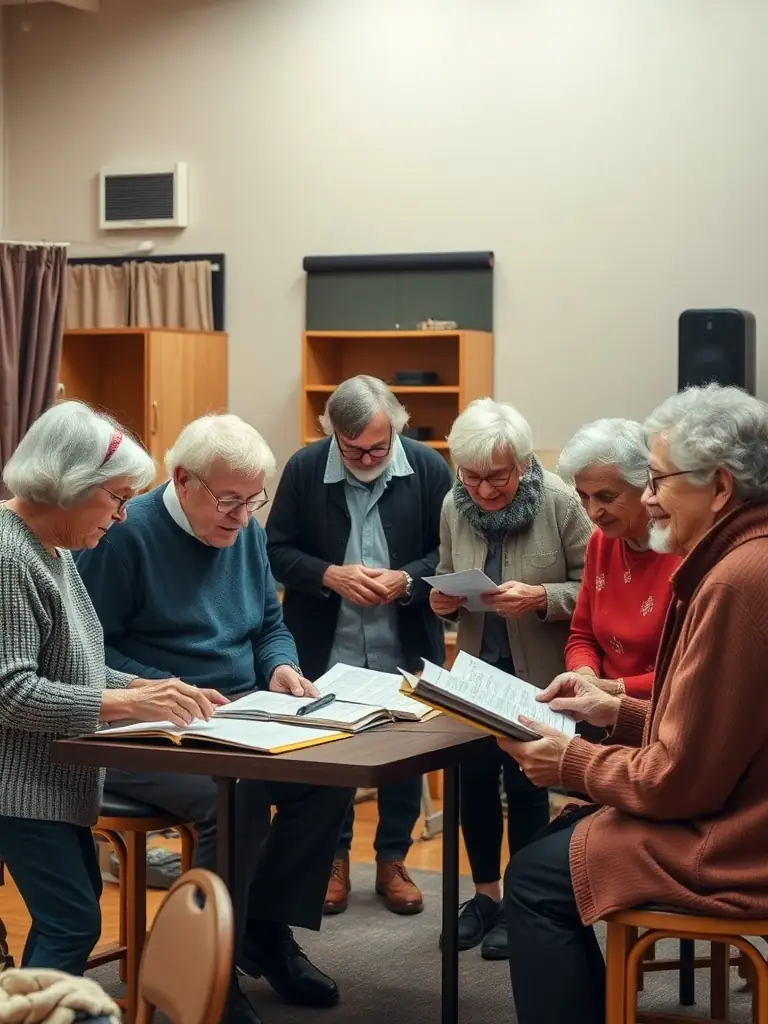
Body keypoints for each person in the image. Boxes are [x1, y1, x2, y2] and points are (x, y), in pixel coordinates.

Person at [501, 384, 768, 1024]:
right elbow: (715, 732)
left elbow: (679, 781)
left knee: (534, 879)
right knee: (549, 851)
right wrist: (614, 714)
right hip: (737, 804)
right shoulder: (742, 559)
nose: (647, 498)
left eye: (656, 480)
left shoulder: (735, 581)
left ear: (720, 487)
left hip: (736, 839)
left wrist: (568, 763)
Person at [75, 414, 353, 1024]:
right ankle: (207, 973)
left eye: (254, 500)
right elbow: (87, 652)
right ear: (182, 480)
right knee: (237, 796)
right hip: (141, 729)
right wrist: (164, 687)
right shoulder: (122, 535)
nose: (243, 515)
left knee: (329, 775)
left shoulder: (243, 529)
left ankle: (259, 928)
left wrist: (279, 667)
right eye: (229, 500)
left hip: (237, 716)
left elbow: (267, 627)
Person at [0, 402, 220, 976]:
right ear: (71, 486)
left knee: (72, 918)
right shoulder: (7, 554)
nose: (125, 515)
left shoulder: (55, 546)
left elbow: (75, 667)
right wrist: (124, 701)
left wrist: (153, 687)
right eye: (118, 497)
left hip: (51, 781)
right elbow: (12, 692)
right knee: (71, 921)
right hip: (15, 787)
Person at [266, 375, 453, 916]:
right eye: (354, 450)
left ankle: (393, 859)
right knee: (332, 758)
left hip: (404, 642)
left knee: (401, 754)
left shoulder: (426, 466)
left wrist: (407, 581)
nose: (369, 457)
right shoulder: (305, 468)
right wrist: (328, 574)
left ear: (395, 427)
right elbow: (276, 551)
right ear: (332, 436)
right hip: (328, 646)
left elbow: (448, 552)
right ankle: (334, 858)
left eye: (379, 445)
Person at [430, 398, 592, 959]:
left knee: (525, 787)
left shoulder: (561, 503)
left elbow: (593, 591)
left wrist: (543, 597)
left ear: (522, 464)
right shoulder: (454, 505)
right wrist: (442, 600)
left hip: (539, 677)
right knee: (471, 784)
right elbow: (450, 578)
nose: (484, 490)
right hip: (476, 673)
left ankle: (521, 903)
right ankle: (485, 897)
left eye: (496, 477)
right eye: (471, 477)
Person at [556, 419, 680, 700]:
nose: (593, 512)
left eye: (606, 497)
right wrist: (584, 676)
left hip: (663, 714)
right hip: (601, 709)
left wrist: (615, 690)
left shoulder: (684, 551)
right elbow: (582, 636)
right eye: (583, 497)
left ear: (647, 486)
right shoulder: (601, 543)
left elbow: (688, 671)